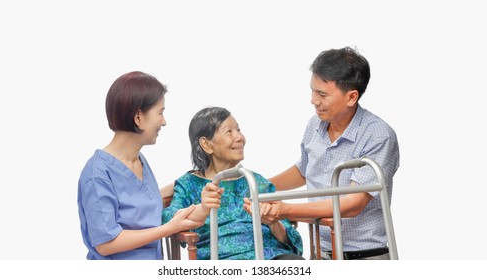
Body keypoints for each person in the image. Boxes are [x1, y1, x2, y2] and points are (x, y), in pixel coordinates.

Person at [243, 47, 400, 260]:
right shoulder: (316, 124)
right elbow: (305, 170)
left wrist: (284, 209)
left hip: (364, 256)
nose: (313, 100)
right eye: (312, 91)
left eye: (322, 94)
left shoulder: (378, 135)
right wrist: (259, 186)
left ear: (351, 97)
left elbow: (352, 204)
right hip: (321, 252)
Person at [77, 71, 218, 260]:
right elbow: (105, 244)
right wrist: (168, 228)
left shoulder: (139, 161)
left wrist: (187, 189)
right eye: (160, 113)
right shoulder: (97, 174)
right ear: (138, 117)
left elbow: (139, 205)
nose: (164, 122)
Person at [162, 107, 304, 260]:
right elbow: (167, 218)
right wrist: (200, 210)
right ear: (206, 144)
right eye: (229, 131)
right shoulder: (189, 184)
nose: (240, 137)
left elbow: (292, 240)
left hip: (271, 257)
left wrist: (272, 222)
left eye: (238, 130)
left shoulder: (255, 182)